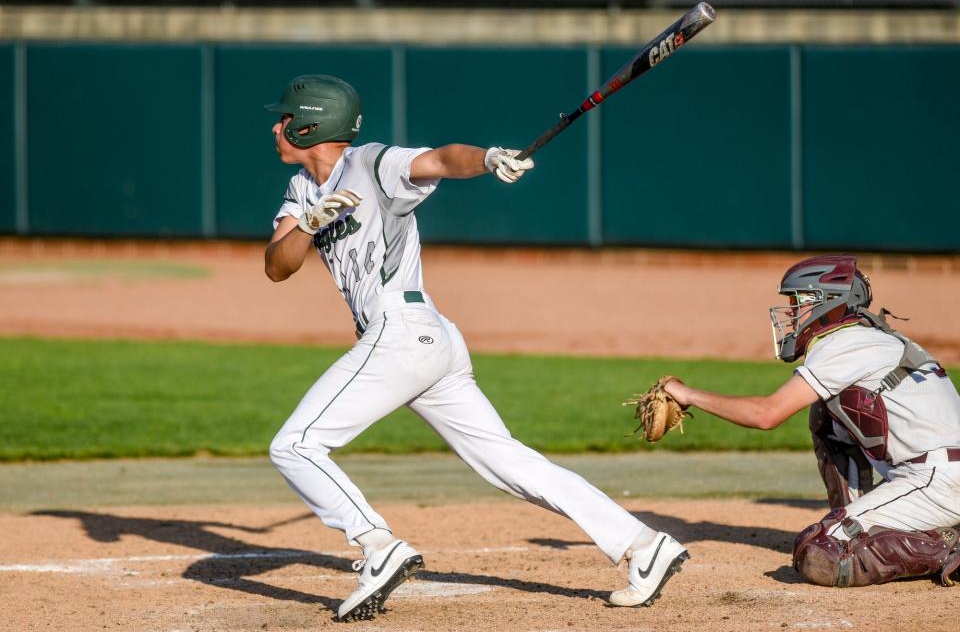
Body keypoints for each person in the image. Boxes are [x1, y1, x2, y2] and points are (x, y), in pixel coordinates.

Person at [262, 74, 688, 621]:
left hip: (402, 330)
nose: (276, 127)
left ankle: (376, 546)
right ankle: (642, 544)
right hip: (421, 339)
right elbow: (278, 266)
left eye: (284, 118)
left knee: (294, 444)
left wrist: (487, 158)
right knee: (507, 462)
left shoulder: (371, 164)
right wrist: (312, 222)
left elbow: (440, 160)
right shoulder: (302, 190)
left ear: (309, 123)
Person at [660, 255, 960, 588]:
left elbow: (766, 414)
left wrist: (687, 395)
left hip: (939, 481)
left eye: (798, 301)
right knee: (827, 415)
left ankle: (947, 547)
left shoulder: (843, 343)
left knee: (820, 552)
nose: (791, 313)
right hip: (940, 476)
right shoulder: (871, 337)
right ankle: (860, 515)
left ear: (827, 302)